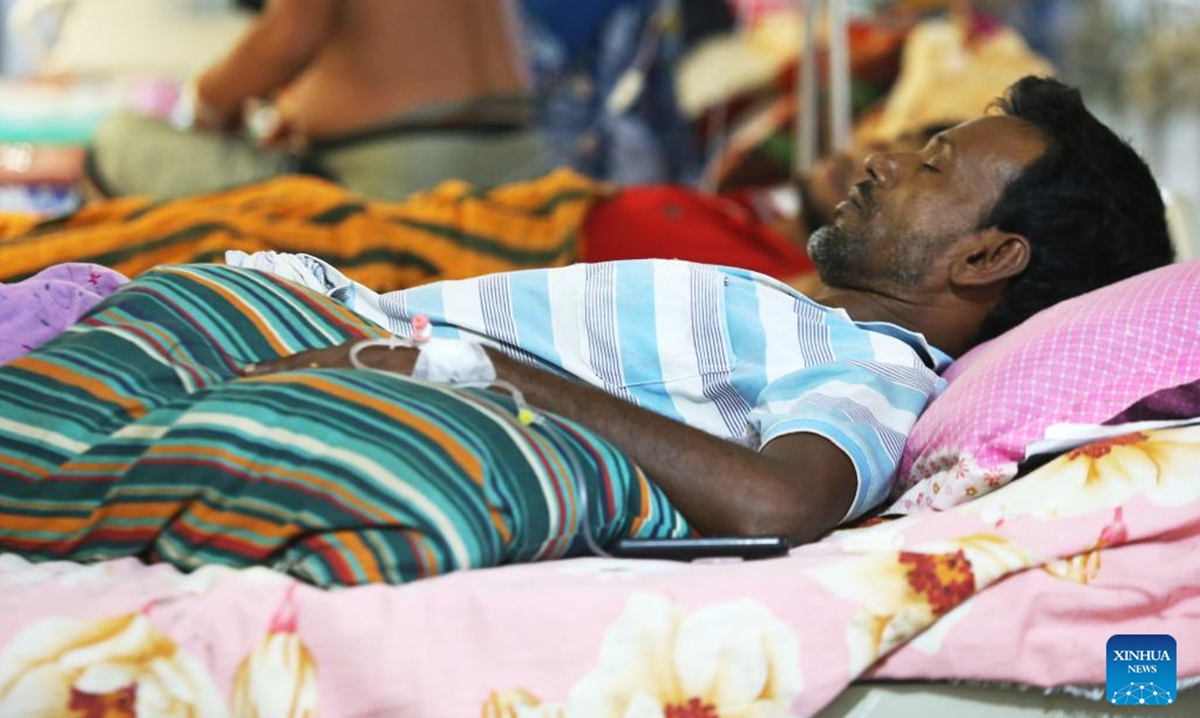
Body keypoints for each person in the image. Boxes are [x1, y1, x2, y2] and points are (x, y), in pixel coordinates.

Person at [242, 76, 1173, 543]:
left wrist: (475, 370)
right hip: (304, 319)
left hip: (333, 353)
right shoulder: (811, 323)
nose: (881, 161)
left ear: (986, 256)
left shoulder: (874, 372)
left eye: (931, 164)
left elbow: (777, 502)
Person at [86, 0, 550, 201]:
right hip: (524, 158)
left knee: (119, 143)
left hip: (404, 179)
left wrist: (209, 100)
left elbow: (293, 34)